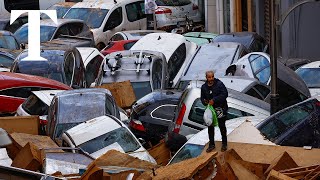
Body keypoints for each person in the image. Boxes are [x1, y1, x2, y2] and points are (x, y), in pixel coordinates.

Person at [200, 70, 228, 152]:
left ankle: (224, 144)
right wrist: (204, 101)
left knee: (222, 126)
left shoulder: (219, 84)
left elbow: (225, 94)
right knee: (210, 127)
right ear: (206, 78)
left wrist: (214, 100)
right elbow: (202, 98)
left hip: (220, 108)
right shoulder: (204, 87)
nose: (211, 78)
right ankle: (211, 144)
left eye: (212, 76)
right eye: (209, 77)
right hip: (211, 110)